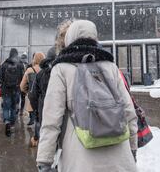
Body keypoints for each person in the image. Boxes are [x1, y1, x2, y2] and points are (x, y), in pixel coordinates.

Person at [36, 20, 138, 172]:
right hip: (119, 158)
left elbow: (52, 119)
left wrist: (44, 160)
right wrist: (132, 147)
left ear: (69, 38)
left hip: (80, 159)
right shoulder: (110, 66)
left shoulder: (61, 68)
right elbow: (129, 111)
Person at [29, 20, 71, 148]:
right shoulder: (67, 70)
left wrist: (39, 107)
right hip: (66, 117)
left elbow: (33, 96)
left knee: (48, 139)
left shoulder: (42, 74)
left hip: (46, 112)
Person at [0, 48, 24, 137]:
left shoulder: (4, 64)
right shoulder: (20, 64)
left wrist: (0, 84)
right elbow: (22, 77)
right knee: (13, 107)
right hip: (16, 89)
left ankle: (7, 122)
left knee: (6, 107)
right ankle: (12, 123)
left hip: (6, 90)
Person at [20, 52, 45, 126]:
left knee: (35, 114)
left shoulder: (29, 70)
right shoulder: (46, 69)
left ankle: (36, 134)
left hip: (32, 94)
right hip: (44, 96)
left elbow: (22, 86)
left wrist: (27, 91)